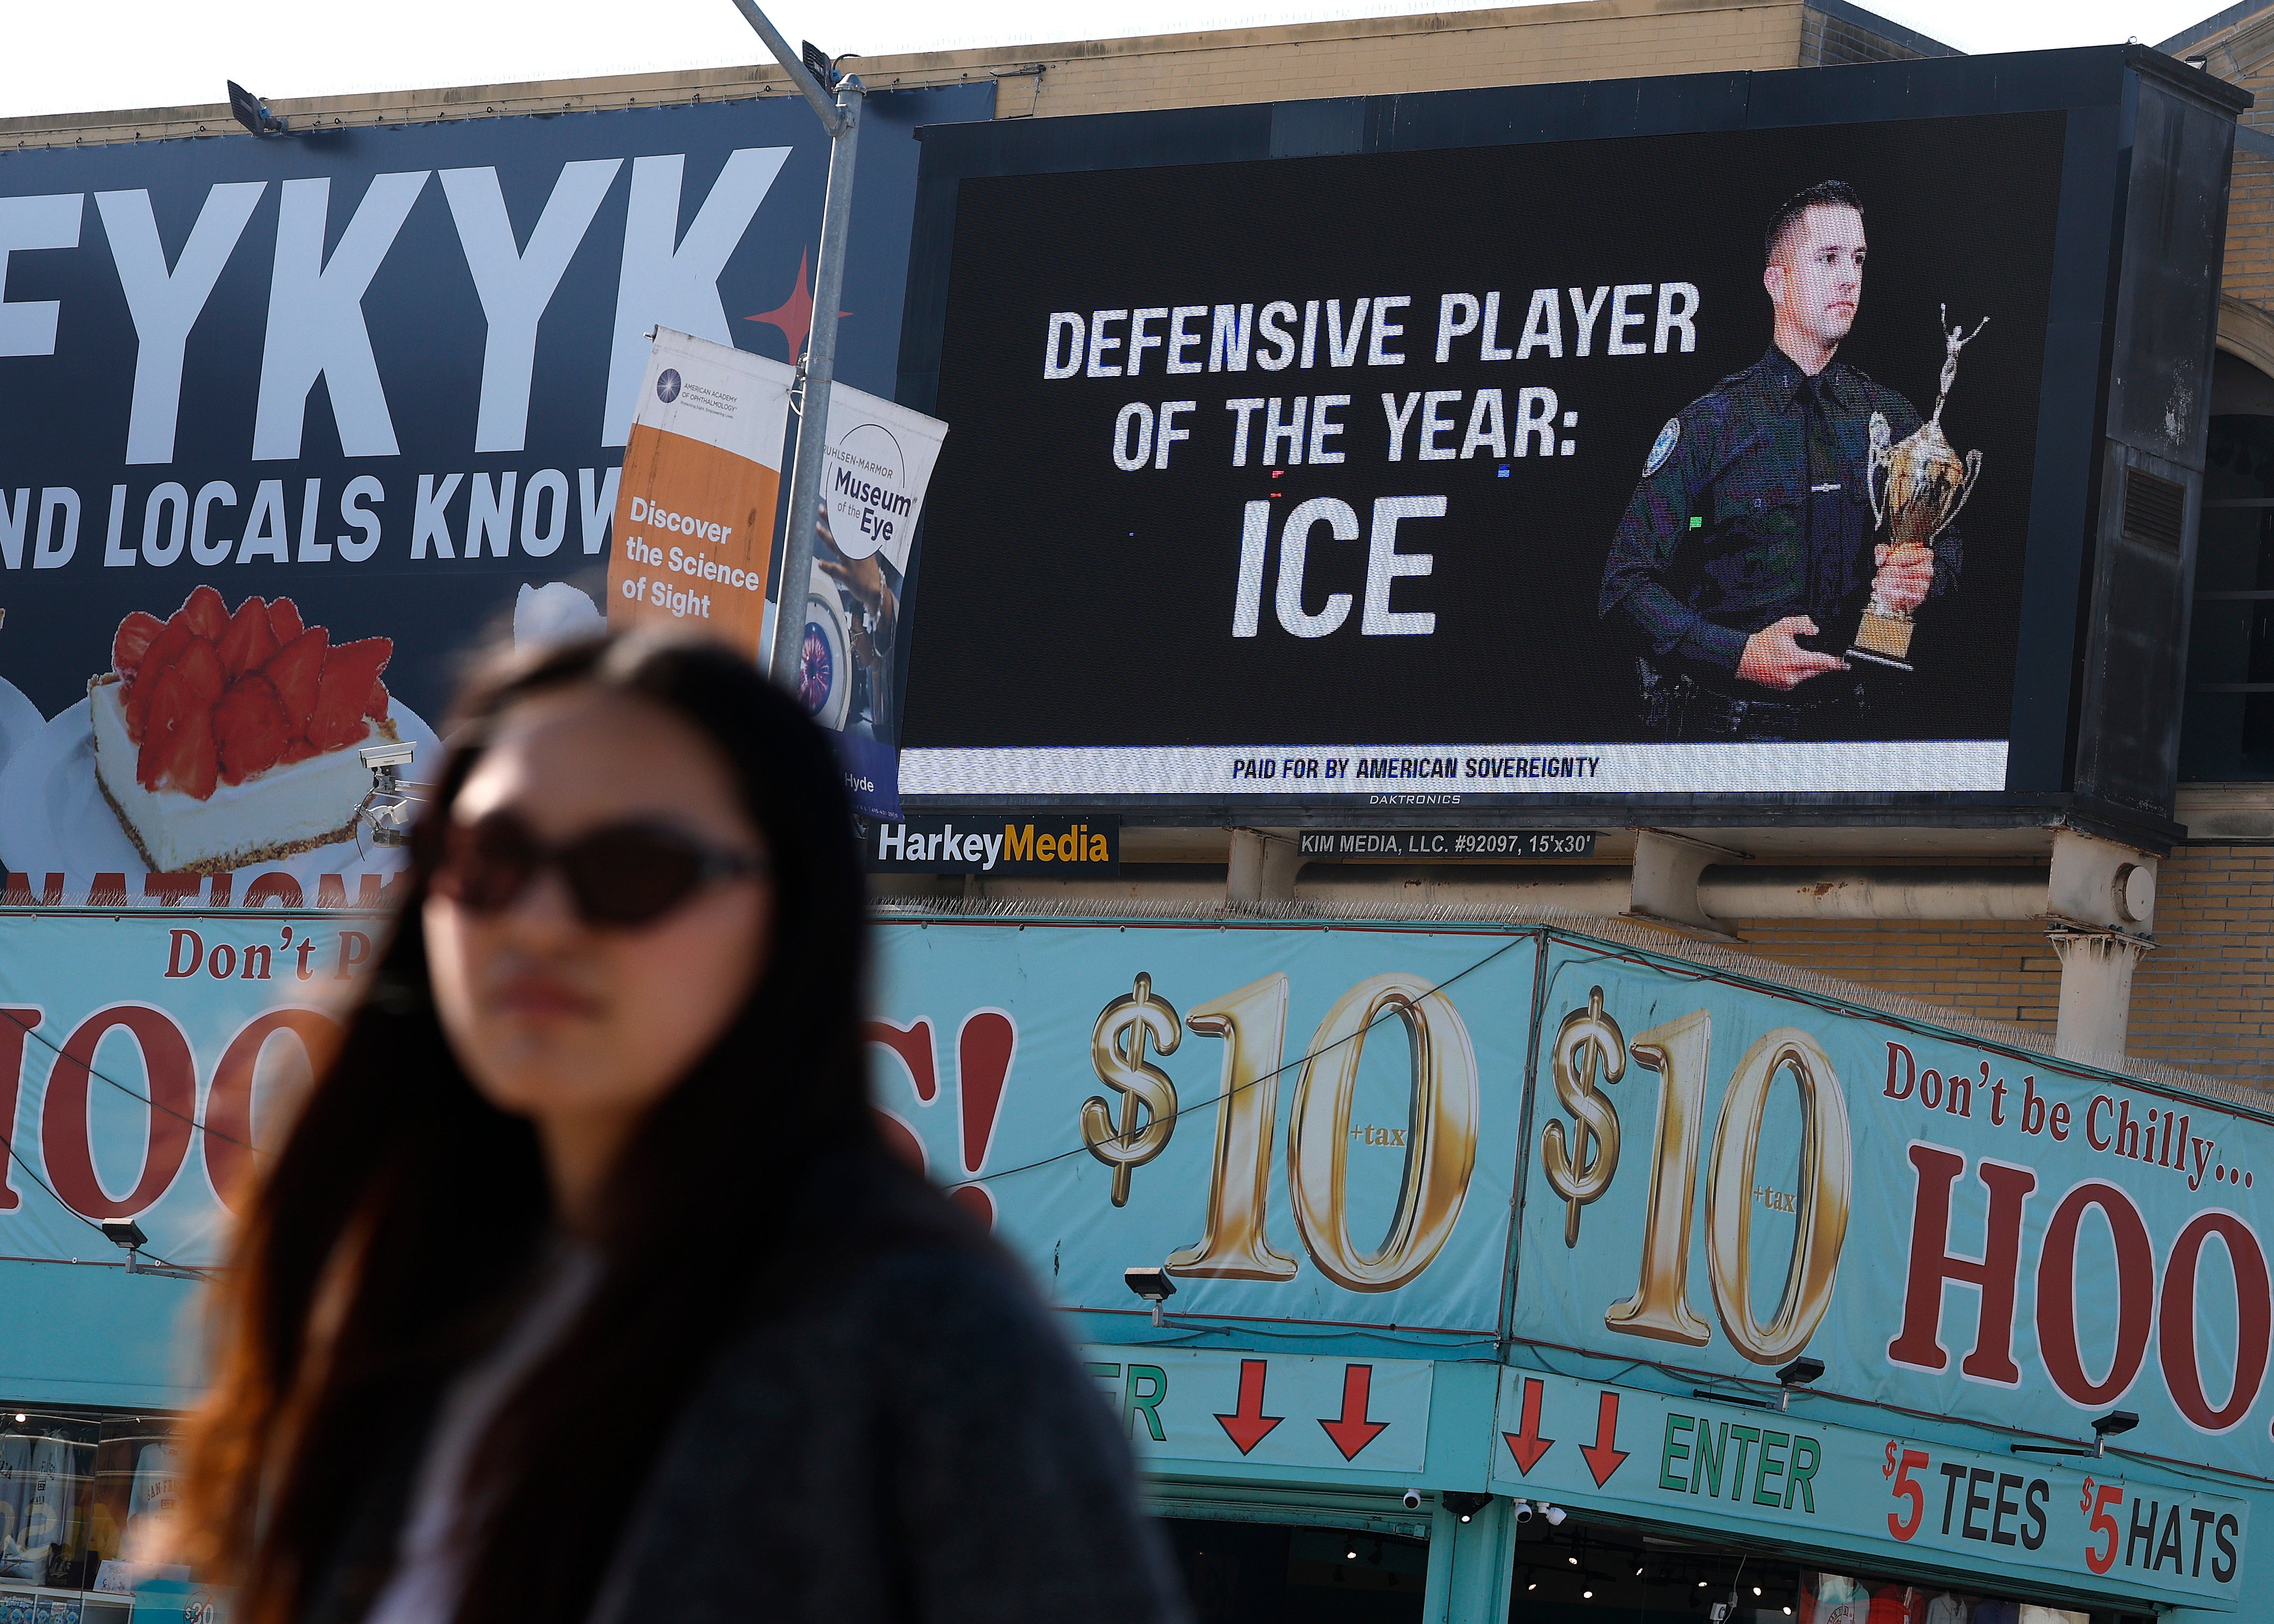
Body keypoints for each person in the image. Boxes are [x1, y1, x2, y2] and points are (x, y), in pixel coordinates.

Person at [171, 632, 1187, 1624]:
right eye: (490, 857)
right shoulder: (401, 1293)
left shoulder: (928, 1339)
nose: (536, 919)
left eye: (632, 868)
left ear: (785, 914)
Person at [1598, 180, 1962, 742]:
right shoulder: (1710, 424)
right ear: (1776, 280)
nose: (1848, 277)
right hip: (1729, 731)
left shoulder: (1896, 420)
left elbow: (1948, 548)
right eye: (1827, 258)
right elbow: (1624, 585)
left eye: (1858, 259)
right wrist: (1736, 654)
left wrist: (1923, 579)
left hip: (1862, 731)